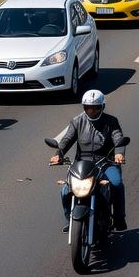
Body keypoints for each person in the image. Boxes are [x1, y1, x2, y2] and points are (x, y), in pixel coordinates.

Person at [50, 89, 128, 231]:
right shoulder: (77, 121)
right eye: (88, 108)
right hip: (82, 163)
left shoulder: (111, 121)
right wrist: (58, 153)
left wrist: (119, 154)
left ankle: (119, 218)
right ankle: (71, 219)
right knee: (65, 190)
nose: (91, 111)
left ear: (102, 107)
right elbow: (67, 139)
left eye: (95, 108)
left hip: (105, 162)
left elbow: (118, 138)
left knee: (116, 184)